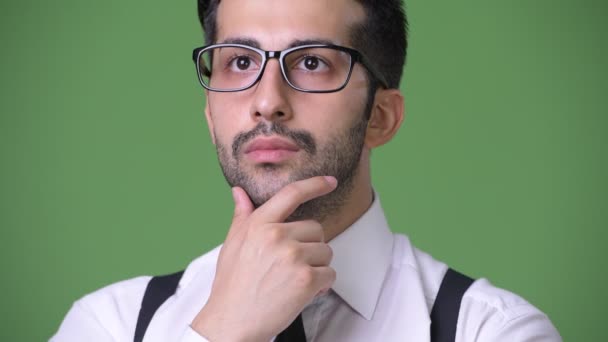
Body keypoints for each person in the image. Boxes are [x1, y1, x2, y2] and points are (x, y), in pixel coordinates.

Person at [51, 0, 562, 341]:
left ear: (381, 118)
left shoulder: (492, 331)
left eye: (312, 62)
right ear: (211, 115)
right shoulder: (110, 325)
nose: (267, 101)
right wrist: (222, 331)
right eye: (240, 62)